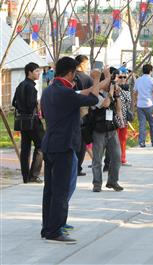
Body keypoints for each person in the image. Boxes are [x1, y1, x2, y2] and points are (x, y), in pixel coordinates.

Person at [40, 57, 103, 244]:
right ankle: (54, 231)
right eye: (75, 74)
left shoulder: (48, 91)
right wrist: (97, 80)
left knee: (49, 190)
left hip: (50, 144)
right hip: (63, 146)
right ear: (70, 73)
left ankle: (48, 228)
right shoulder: (65, 93)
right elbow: (93, 99)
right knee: (61, 190)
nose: (75, 77)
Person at [89, 75, 123, 192]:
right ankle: (97, 183)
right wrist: (111, 92)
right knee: (97, 158)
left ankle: (113, 181)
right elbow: (105, 104)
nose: (110, 84)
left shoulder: (111, 93)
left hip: (111, 129)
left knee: (117, 156)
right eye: (109, 82)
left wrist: (117, 95)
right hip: (99, 130)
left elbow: (118, 108)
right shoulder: (94, 93)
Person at [12, 62, 44, 183]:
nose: (39, 73)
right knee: (41, 146)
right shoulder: (31, 87)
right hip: (33, 120)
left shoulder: (20, 85)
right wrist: (37, 106)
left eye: (39, 71)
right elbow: (31, 105)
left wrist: (22, 109)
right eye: (36, 71)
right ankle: (34, 175)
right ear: (29, 72)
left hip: (22, 121)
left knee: (25, 149)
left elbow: (13, 102)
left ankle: (25, 176)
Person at [73, 55, 93, 176]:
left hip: (71, 111)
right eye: (86, 63)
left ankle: (73, 167)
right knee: (82, 142)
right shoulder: (87, 78)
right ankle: (77, 168)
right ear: (82, 64)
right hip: (84, 112)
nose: (87, 66)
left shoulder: (71, 77)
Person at [133, 64, 153, 148]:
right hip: (150, 105)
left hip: (140, 105)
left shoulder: (138, 80)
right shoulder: (152, 80)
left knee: (142, 124)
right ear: (150, 71)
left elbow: (134, 92)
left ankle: (142, 142)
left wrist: (134, 102)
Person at [115, 72, 132, 166]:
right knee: (115, 139)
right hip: (115, 118)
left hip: (124, 118)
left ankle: (123, 158)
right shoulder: (113, 89)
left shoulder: (126, 89)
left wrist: (120, 89)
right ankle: (116, 158)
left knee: (122, 139)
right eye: (120, 77)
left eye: (124, 77)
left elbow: (129, 101)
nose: (122, 78)